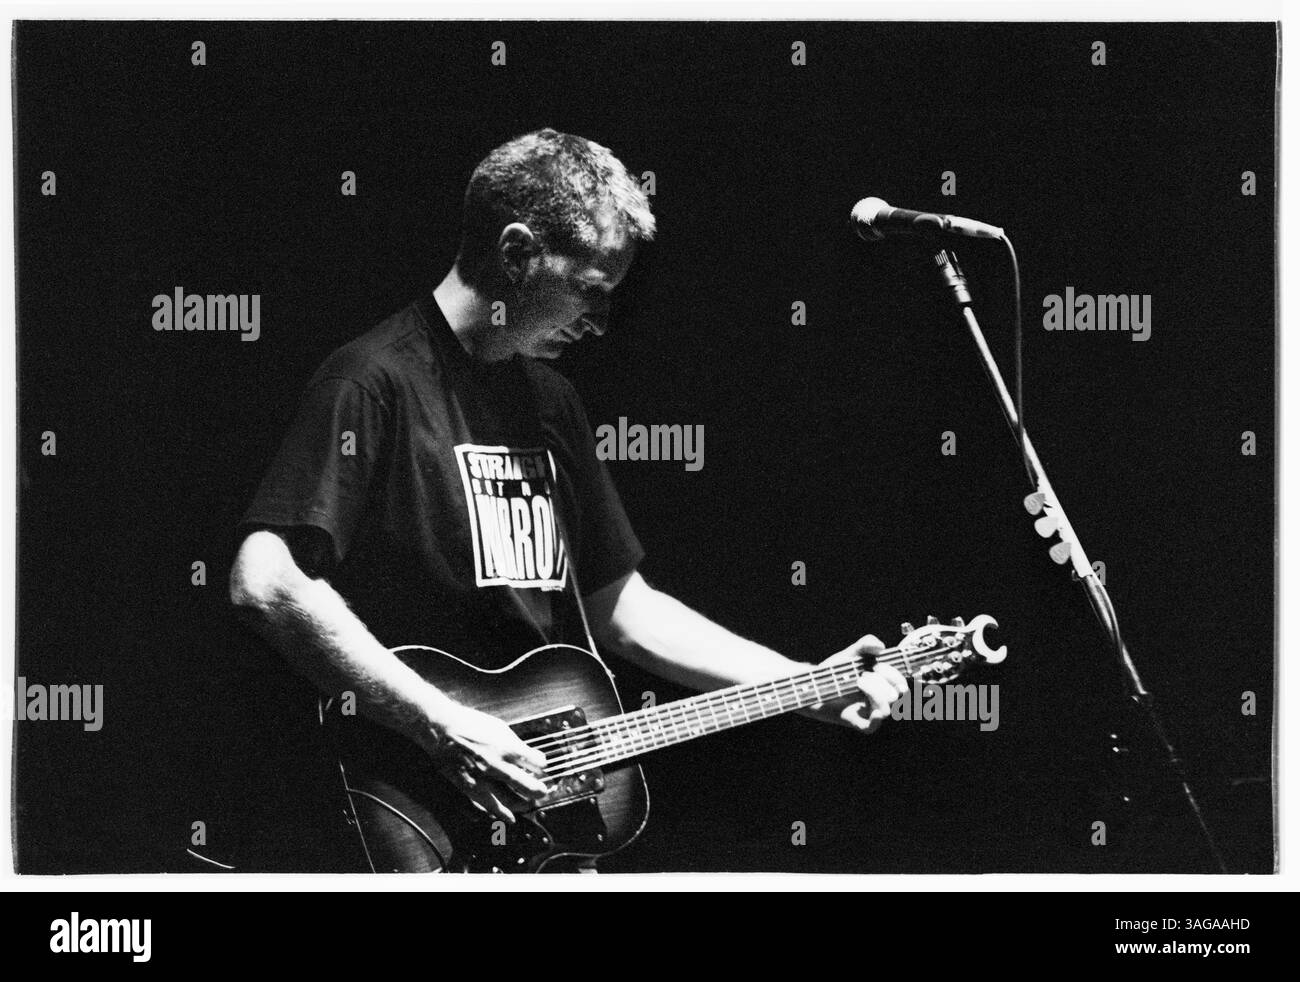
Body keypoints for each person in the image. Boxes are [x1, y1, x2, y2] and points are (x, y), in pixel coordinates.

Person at [229, 128, 908, 871]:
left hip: (533, 825)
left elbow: (622, 608)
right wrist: (442, 726)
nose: (600, 321)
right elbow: (265, 580)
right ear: (516, 254)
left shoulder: (550, 401)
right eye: (590, 289)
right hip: (408, 814)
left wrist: (810, 686)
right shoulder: (371, 382)